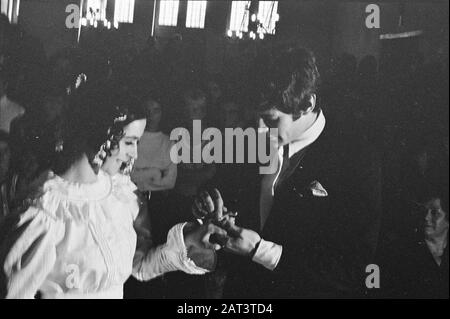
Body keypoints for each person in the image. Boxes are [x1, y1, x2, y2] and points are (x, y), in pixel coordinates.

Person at [0, 87, 226, 299]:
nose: (134, 154)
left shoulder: (119, 194)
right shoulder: (44, 214)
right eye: (129, 142)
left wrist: (191, 240)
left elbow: (140, 267)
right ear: (102, 136)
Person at [195, 48, 383, 298]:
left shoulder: (356, 158)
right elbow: (222, 186)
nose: (260, 131)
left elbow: (352, 267)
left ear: (307, 104)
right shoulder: (253, 136)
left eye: (271, 120)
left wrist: (261, 250)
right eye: (257, 119)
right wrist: (207, 202)